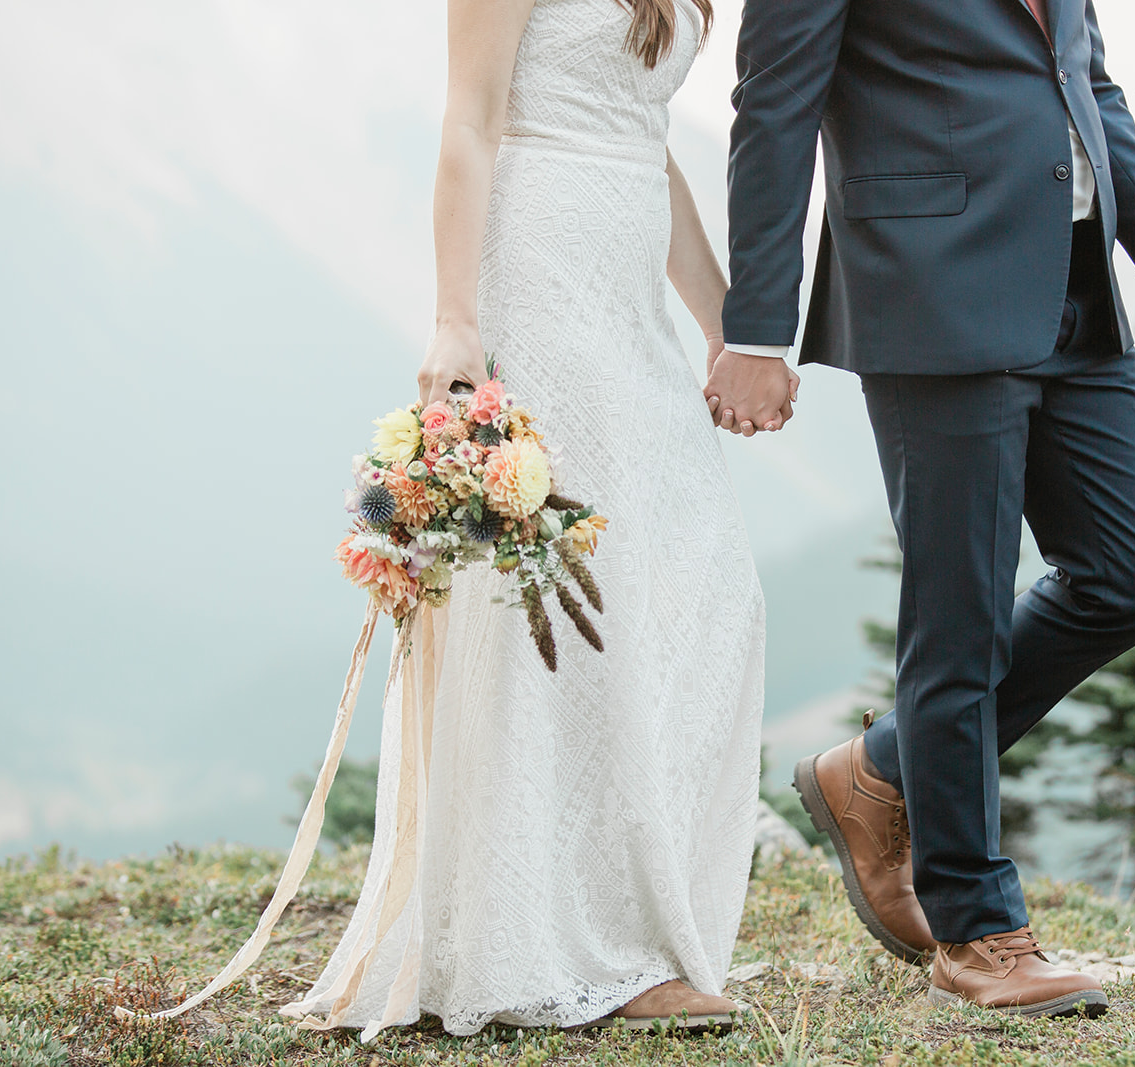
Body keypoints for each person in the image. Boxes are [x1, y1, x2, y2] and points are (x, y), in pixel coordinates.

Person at [710, 0, 1135, 1018]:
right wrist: (755, 329)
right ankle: (978, 930)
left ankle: (879, 770)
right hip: (931, 286)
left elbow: (1084, 81)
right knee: (956, 613)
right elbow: (774, 108)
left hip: (1078, 292)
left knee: (1133, 577)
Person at [280, 0, 783, 1037]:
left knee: (700, 582)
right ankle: (568, 945)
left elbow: (649, 145)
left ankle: (630, 922)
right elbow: (468, 121)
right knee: (560, 608)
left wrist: (729, 326)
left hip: (626, 290)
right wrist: (455, 317)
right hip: (539, 279)